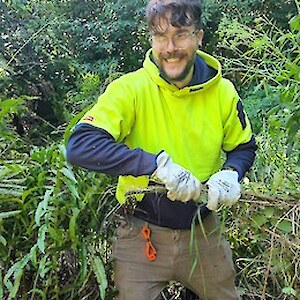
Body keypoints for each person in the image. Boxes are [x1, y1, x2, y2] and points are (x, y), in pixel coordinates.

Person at [66, 0, 257, 299]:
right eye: (160, 36)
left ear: (199, 36)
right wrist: (156, 166)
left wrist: (231, 173)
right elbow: (80, 145)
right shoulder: (130, 89)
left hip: (203, 233)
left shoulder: (224, 93)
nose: (170, 47)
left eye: (180, 34)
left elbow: (243, 147)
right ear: (151, 39)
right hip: (140, 235)